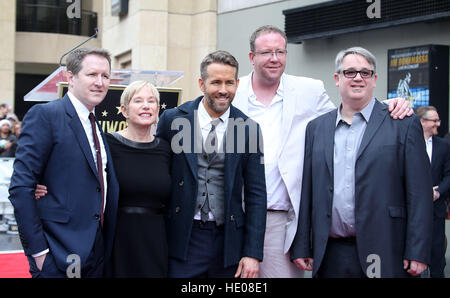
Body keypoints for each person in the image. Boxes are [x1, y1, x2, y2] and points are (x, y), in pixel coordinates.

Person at [232, 25, 413, 278]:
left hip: (282, 220)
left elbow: (350, 116)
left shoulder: (309, 90)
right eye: (266, 53)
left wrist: (388, 105)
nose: (274, 58)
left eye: (280, 52)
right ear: (252, 57)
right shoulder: (231, 91)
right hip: (234, 216)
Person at [290, 46, 433, 278]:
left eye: (365, 73)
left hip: (386, 248)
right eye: (350, 72)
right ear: (337, 79)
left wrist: (418, 250)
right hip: (331, 253)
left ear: (374, 79)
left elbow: (420, 192)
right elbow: (308, 190)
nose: (358, 78)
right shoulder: (317, 128)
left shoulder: (402, 123)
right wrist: (303, 244)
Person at [35, 80, 172, 277]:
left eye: (151, 101)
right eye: (138, 101)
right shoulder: (105, 144)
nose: (146, 106)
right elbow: (73, 171)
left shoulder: (165, 149)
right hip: (114, 237)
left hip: (155, 239)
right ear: (124, 110)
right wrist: (39, 185)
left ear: (158, 109)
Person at [8, 48, 120, 278]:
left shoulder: (96, 125)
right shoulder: (45, 116)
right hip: (58, 256)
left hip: (96, 253)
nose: (100, 82)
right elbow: (21, 189)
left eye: (105, 76)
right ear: (70, 77)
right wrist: (39, 254)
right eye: (92, 75)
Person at [156, 50, 267, 278]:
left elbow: (257, 194)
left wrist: (253, 253)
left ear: (237, 83)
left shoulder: (248, 128)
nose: (223, 90)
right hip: (183, 236)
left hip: (228, 240)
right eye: (216, 82)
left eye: (229, 82)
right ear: (201, 83)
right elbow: (159, 176)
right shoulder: (173, 119)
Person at [417, 105, 450, 278]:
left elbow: (449, 175)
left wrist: (437, 193)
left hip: (435, 212)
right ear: (422, 122)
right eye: (434, 120)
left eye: (438, 120)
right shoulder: (409, 143)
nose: (438, 124)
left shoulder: (443, 146)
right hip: (412, 212)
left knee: (437, 258)